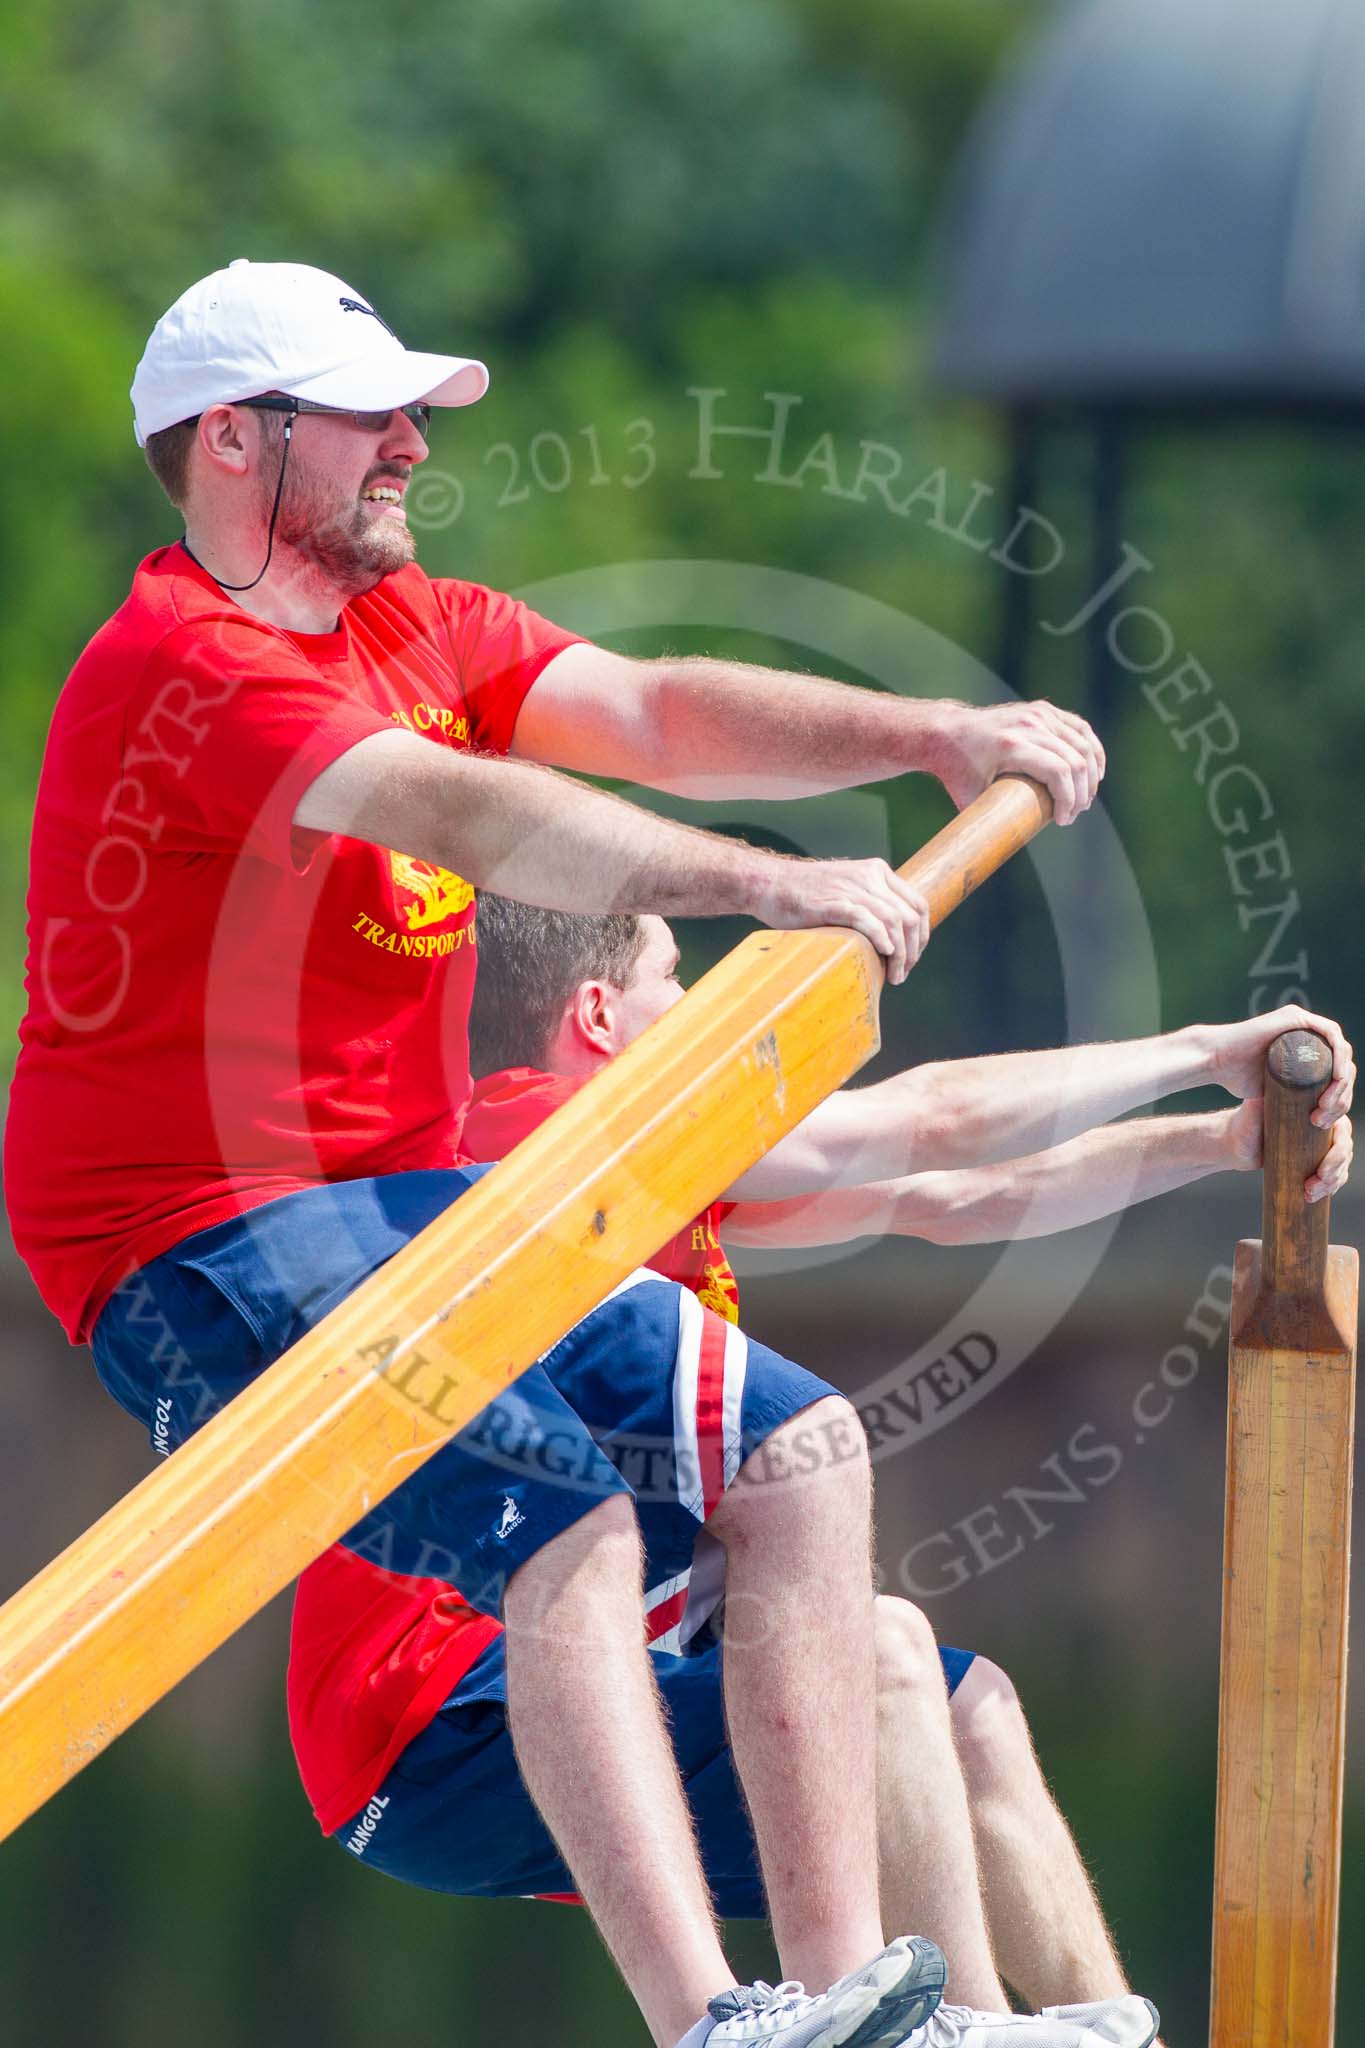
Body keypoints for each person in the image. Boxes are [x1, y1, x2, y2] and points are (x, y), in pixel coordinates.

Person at [0, 258, 1307, 2048]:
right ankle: (715, 2017)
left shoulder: (419, 622)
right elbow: (462, 807)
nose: (407, 446)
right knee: (575, 1529)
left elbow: (656, 705)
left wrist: (932, 735)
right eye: (366, 416)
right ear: (234, 442)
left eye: (411, 414)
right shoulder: (189, 663)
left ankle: (863, 1998)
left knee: (809, 1451)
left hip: (400, 1212)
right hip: (180, 1236)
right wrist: (758, 880)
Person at [287, 896, 1352, 2035]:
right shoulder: (526, 1130)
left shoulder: (652, 1173)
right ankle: (966, 2024)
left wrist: (1213, 1141)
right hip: (428, 1714)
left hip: (500, 1715)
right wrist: (1201, 1052)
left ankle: (1100, 2025)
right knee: (886, 1653)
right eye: (674, 981)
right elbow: (926, 1119)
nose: (695, 1012)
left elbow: (950, 1197)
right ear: (598, 1016)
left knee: (968, 1707)